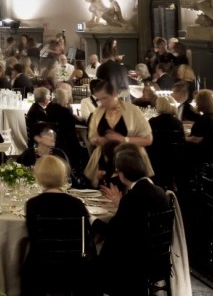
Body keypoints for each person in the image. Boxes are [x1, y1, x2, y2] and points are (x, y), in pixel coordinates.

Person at [93, 147, 173, 292]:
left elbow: (114, 231)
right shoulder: (160, 192)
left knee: (97, 253)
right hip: (157, 258)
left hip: (133, 261)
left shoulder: (133, 198)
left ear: (122, 174)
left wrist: (92, 221)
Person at [22, 155, 92, 296]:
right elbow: (86, 238)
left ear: (39, 176)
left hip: (40, 268)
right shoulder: (77, 204)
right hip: (73, 268)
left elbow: (33, 237)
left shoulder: (32, 204)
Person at [84, 80, 152, 185]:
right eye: (99, 99)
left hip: (129, 161)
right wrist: (99, 140)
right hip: (104, 161)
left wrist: (124, 140)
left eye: (105, 98)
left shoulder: (133, 110)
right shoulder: (97, 113)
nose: (102, 102)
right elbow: (91, 137)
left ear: (115, 93)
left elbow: (148, 140)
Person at [185, 88, 213, 165]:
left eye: (196, 102)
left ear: (201, 103)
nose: (195, 104)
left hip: (204, 155)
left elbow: (195, 139)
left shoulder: (204, 119)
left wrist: (183, 138)